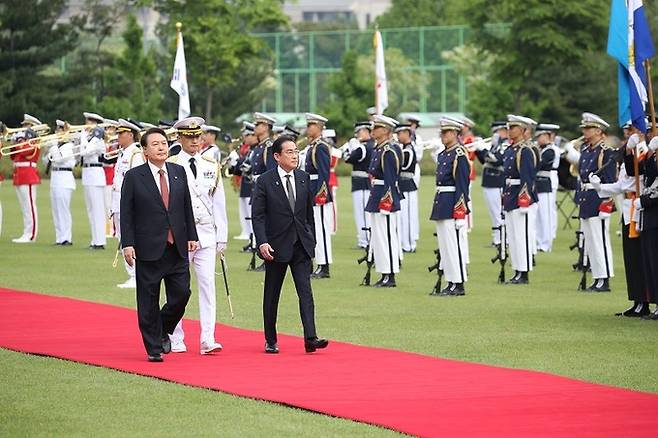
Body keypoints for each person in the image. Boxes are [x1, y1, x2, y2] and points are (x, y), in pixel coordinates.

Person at [120, 127, 199, 362]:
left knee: (182, 294)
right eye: (155, 144)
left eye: (163, 143)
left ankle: (162, 327)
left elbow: (186, 207)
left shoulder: (178, 171)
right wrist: (128, 244)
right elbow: (127, 213)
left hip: (177, 246)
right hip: (148, 247)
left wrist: (192, 236)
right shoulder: (134, 177)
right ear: (144, 150)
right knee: (148, 300)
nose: (161, 147)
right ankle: (154, 348)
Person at [251, 135, 329, 354]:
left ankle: (310, 338)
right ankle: (270, 339)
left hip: (301, 245)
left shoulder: (304, 178)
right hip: (275, 247)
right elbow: (257, 216)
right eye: (289, 152)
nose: (295, 156)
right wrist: (262, 242)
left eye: (296, 151)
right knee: (272, 294)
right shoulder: (265, 181)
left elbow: (308, 215)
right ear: (277, 156)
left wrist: (311, 240)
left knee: (306, 293)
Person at [166, 117, 227, 355]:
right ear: (179, 138)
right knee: (179, 288)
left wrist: (221, 236)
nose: (195, 141)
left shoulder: (211, 164)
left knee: (207, 285)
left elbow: (218, 202)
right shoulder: (170, 164)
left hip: (206, 233)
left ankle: (208, 338)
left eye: (197, 136)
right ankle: (176, 336)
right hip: (181, 235)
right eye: (189, 137)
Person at [591, 132, 649, 316]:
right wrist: (601, 187)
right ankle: (637, 301)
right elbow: (622, 184)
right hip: (628, 208)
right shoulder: (629, 153)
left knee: (642, 259)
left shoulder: (645, 152)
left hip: (640, 207)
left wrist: (631, 153)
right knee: (631, 260)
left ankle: (645, 301)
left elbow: (633, 180)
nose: (627, 133)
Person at [569, 113, 616, 292]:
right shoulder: (586, 150)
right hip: (586, 198)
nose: (584, 131)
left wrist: (607, 203)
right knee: (590, 241)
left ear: (598, 130)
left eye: (588, 128)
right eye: (584, 128)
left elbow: (610, 180)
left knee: (600, 241)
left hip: (599, 199)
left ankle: (604, 279)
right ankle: (597, 277)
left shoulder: (606, 151)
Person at [430, 117, 470, 296]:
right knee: (445, 247)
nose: (442, 136)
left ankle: (458, 283)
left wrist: (460, 212)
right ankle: (450, 281)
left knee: (455, 246)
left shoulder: (459, 154)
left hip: (452, 202)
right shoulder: (444, 154)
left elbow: (462, 185)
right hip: (442, 201)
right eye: (442, 132)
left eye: (446, 132)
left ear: (454, 133)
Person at [366, 115, 402, 287]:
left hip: (384, 197)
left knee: (387, 237)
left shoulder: (388, 151)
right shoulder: (379, 149)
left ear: (386, 131)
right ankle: (383, 272)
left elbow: (390, 179)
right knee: (379, 238)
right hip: (377, 194)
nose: (373, 131)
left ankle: (390, 274)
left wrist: (386, 202)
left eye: (377, 128)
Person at [503, 115, 538, 284]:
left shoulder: (525, 150)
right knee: (513, 237)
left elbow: (527, 177)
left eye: (513, 127)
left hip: (521, 197)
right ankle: (517, 269)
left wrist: (524, 199)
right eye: (509, 127)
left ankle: (523, 272)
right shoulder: (510, 150)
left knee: (522, 236)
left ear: (523, 130)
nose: (510, 130)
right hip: (510, 195)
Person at [626, 135, 658, 319]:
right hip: (648, 215)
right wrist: (630, 152)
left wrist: (645, 201)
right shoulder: (652, 153)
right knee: (650, 262)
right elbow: (636, 171)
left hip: (653, 209)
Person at [110, 119, 144, 288]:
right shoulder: (123, 153)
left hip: (128, 202)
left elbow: (138, 181)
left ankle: (135, 275)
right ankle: (131, 274)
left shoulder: (135, 154)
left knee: (130, 238)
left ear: (130, 135)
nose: (118, 137)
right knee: (121, 237)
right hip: (117, 200)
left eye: (120, 134)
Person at [304, 113, 333, 279]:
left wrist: (321, 194)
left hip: (318, 193)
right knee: (314, 229)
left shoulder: (320, 147)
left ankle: (325, 265)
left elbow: (323, 174)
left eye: (311, 125)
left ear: (319, 127)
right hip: (311, 190)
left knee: (322, 230)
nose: (308, 128)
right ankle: (319, 263)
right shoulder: (313, 146)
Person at [474, 121, 507, 246]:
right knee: (493, 213)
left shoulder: (505, 144)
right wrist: (478, 151)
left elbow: (497, 160)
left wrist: (483, 149)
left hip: (497, 181)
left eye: (496, 131)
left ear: (503, 131)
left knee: (498, 212)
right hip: (489, 180)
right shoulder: (495, 145)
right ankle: (496, 239)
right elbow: (485, 161)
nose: (494, 134)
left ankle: (501, 239)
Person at [45, 120, 77, 245]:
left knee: (63, 209)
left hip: (65, 179)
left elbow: (59, 159)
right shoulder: (57, 146)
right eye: (57, 130)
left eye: (60, 130)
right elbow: (47, 162)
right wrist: (49, 150)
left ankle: (66, 238)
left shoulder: (68, 146)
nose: (57, 132)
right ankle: (59, 237)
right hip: (55, 178)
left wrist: (52, 147)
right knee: (56, 210)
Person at [342, 121, 374, 249]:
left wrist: (347, 148)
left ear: (366, 132)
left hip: (362, 183)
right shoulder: (371, 146)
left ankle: (365, 241)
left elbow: (348, 158)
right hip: (364, 182)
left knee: (362, 213)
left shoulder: (363, 148)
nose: (357, 135)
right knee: (363, 213)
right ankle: (365, 240)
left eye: (359, 132)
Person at [79, 112, 108, 249]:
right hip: (87, 174)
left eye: (89, 122)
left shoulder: (98, 139)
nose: (87, 124)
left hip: (96, 174)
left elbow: (85, 152)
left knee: (97, 210)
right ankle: (94, 240)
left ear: (96, 124)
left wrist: (83, 138)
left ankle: (100, 241)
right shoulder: (89, 138)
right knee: (91, 210)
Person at [228, 121, 257, 241]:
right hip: (246, 183)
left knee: (251, 214)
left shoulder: (254, 150)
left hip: (252, 185)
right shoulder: (249, 150)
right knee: (245, 213)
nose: (244, 138)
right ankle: (248, 235)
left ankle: (252, 237)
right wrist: (233, 164)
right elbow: (237, 169)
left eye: (247, 135)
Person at [534, 123, 560, 252]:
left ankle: (546, 243)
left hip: (545, 183)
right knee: (538, 216)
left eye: (540, 136)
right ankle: (539, 242)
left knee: (546, 216)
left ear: (547, 136)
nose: (538, 139)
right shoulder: (539, 149)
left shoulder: (550, 150)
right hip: (537, 184)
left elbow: (538, 164)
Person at [396, 124, 419, 253]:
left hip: (408, 185)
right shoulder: (404, 149)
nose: (398, 136)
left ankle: (410, 244)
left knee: (408, 217)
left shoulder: (408, 150)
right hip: (402, 185)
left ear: (406, 134)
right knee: (403, 216)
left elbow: (402, 166)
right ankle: (405, 242)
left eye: (400, 133)